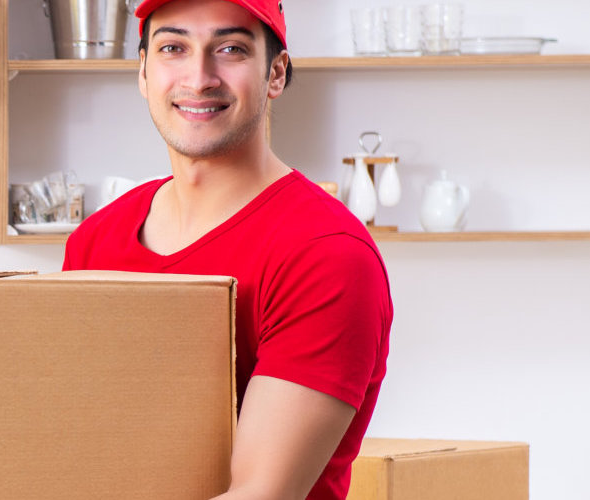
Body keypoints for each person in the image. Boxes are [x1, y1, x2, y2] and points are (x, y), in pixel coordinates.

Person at [62, 1, 393, 499]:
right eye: (173, 48)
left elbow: (258, 495)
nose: (199, 78)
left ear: (275, 73)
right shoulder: (95, 240)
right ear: (144, 72)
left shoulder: (325, 255)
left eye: (231, 49)